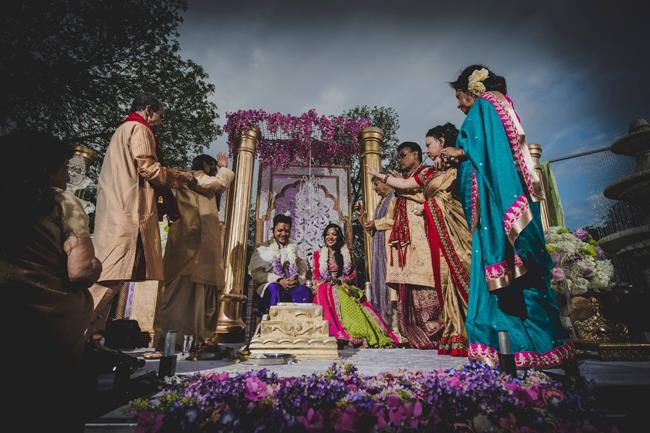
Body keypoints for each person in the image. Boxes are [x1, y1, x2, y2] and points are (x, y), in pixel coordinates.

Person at [443, 65, 573, 368]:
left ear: (470, 90)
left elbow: (484, 151)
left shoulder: (485, 105)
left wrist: (458, 153)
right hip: (500, 203)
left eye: (459, 96)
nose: (459, 104)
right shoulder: (501, 104)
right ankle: (537, 346)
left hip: (493, 208)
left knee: (499, 278)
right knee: (521, 278)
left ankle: (506, 345)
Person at [1, 131, 102, 432]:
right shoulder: (61, 201)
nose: (65, 179)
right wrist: (97, 263)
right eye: (61, 169)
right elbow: (81, 271)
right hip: (47, 335)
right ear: (47, 169)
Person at [88, 93, 195, 335]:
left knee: (111, 275)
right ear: (148, 110)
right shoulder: (139, 128)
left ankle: (90, 340)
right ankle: (75, 334)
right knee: (111, 277)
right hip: (129, 213)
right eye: (160, 115)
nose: (161, 121)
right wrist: (179, 177)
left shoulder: (122, 130)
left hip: (118, 210)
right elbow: (148, 167)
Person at [370, 123, 472, 357]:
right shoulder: (429, 173)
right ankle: (454, 332)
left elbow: (448, 196)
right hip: (431, 234)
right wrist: (381, 175)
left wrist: (425, 206)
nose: (427, 150)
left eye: (429, 145)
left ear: (442, 143)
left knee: (456, 273)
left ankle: (467, 329)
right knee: (444, 280)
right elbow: (404, 189)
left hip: (451, 231)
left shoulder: (455, 166)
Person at [153, 153, 235, 349]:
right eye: (213, 167)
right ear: (206, 166)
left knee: (199, 293)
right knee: (185, 294)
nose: (215, 172)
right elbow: (216, 185)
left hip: (198, 248)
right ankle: (179, 341)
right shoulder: (193, 177)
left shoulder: (195, 183)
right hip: (191, 248)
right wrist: (224, 167)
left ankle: (195, 339)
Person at [384, 142, 442, 349]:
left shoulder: (427, 172)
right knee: (406, 285)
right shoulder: (402, 185)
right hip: (403, 242)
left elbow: (427, 196)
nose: (399, 160)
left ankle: (435, 332)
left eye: (402, 155)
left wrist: (400, 184)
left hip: (422, 237)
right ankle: (414, 334)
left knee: (425, 281)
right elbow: (390, 217)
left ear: (415, 154)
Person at [313, 223, 400, 347]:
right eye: (328, 234)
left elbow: (352, 276)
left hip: (344, 287)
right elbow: (316, 277)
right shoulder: (318, 254)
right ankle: (336, 332)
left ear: (339, 237)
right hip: (324, 289)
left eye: (334, 234)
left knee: (347, 299)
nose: (330, 237)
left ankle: (358, 333)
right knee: (324, 288)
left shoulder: (346, 253)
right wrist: (327, 282)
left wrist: (339, 281)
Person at [248, 214, 313, 316]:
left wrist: (296, 280)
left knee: (305, 291)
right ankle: (272, 327)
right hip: (270, 287)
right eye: (280, 230)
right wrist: (278, 280)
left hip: (292, 288)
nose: (283, 234)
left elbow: (303, 271)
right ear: (273, 230)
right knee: (275, 288)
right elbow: (256, 274)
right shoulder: (263, 248)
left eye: (287, 231)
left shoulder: (295, 249)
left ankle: (299, 328)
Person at [358, 178, 395, 326]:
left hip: (390, 247)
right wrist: (363, 218)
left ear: (386, 182)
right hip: (378, 248)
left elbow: (395, 220)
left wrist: (376, 223)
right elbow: (373, 230)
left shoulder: (395, 197)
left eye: (376, 183)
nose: (374, 188)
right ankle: (382, 323)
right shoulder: (381, 202)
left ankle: (394, 324)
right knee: (378, 281)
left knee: (389, 284)